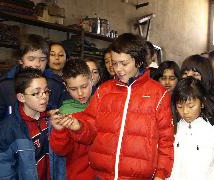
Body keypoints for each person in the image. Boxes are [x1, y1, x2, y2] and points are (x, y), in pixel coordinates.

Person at [51, 33, 174, 180]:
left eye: (124, 63)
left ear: (139, 61)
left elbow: (166, 140)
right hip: (101, 176)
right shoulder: (104, 90)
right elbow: (90, 130)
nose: (118, 69)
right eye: (114, 63)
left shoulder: (158, 94)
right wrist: (79, 126)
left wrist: (160, 174)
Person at [0, 68, 61, 179]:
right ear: (21, 97)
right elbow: (3, 173)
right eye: (36, 93)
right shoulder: (6, 131)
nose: (44, 96)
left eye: (46, 91)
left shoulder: (52, 119)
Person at [0, 34, 66, 132]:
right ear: (20, 60)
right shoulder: (4, 87)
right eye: (31, 59)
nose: (37, 64)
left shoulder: (55, 85)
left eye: (42, 59)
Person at [168, 77, 214, 180]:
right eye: (179, 106)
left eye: (191, 106)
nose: (185, 111)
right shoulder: (171, 127)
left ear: (202, 102)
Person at [49, 59, 94, 179]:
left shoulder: (102, 105)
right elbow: (61, 151)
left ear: (92, 80)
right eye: (73, 89)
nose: (80, 93)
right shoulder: (65, 112)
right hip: (78, 174)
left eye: (84, 86)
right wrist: (59, 131)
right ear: (66, 87)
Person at [181, 54, 214, 125]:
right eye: (185, 73)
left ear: (206, 77)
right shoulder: (179, 96)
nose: (188, 77)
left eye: (195, 74)